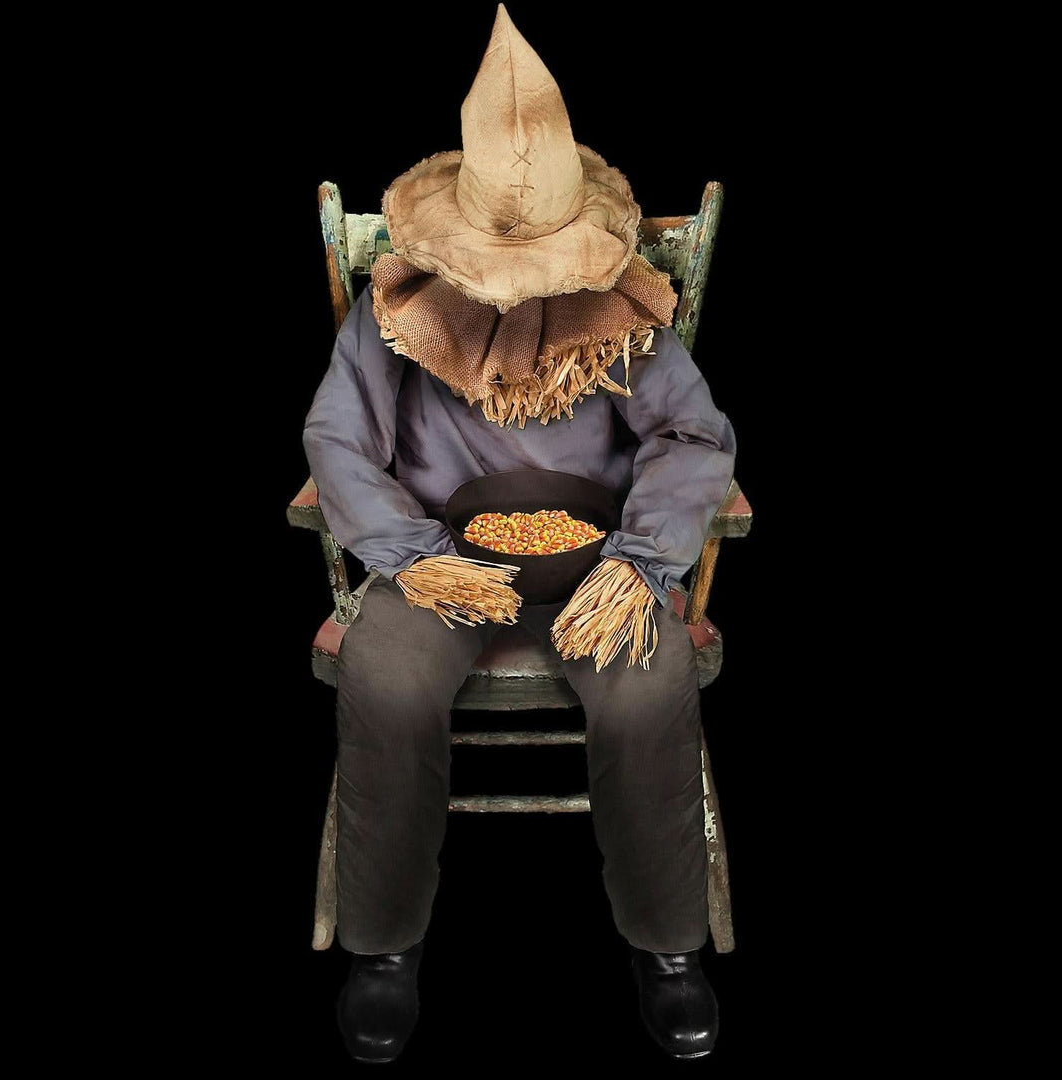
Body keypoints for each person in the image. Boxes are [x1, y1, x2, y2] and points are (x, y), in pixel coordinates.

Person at [301, 4, 737, 1062]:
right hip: (438, 561)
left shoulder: (623, 308)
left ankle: (667, 945)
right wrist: (412, 558)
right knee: (386, 681)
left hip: (602, 564)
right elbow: (336, 438)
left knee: (649, 687)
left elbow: (691, 435)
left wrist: (643, 559)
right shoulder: (397, 311)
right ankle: (384, 947)